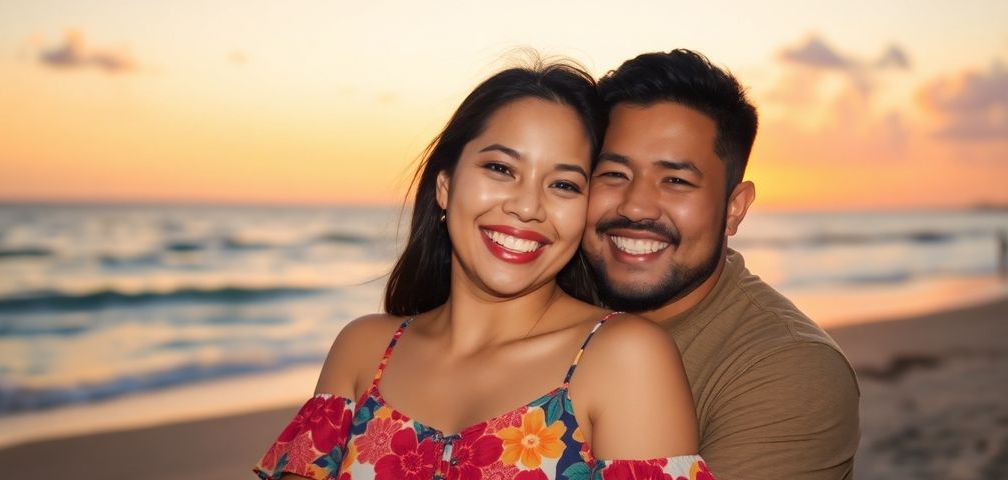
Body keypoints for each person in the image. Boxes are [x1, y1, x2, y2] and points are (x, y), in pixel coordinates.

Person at [254, 62, 714, 479]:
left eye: (563, 184)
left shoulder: (622, 358)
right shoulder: (363, 350)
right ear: (445, 184)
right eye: (500, 168)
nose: (528, 206)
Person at [582, 50, 860, 479]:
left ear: (734, 208)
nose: (636, 206)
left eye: (675, 180)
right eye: (613, 174)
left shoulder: (787, 369)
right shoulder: (541, 305)